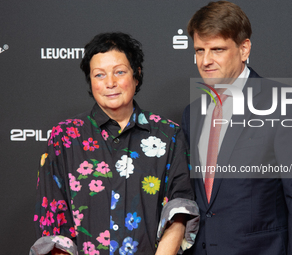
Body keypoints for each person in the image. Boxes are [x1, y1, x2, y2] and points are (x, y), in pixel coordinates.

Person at [30, 32, 199, 255]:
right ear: (90, 81)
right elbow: (54, 225)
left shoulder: (168, 134)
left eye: (119, 72)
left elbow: (178, 212)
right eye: (99, 75)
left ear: (136, 75)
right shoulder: (65, 137)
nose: (110, 83)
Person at [181, 1, 292, 255]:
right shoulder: (193, 112)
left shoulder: (285, 105)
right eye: (199, 50)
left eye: (217, 49)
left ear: (244, 49)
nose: (205, 60)